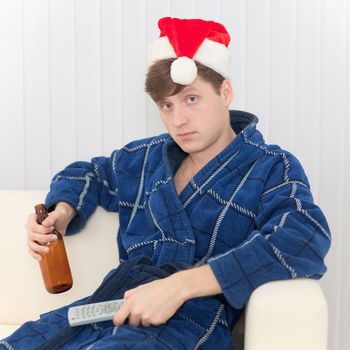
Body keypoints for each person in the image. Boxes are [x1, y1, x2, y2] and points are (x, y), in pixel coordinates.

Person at [1, 17, 331, 350]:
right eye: (166, 105)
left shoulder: (271, 166)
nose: (179, 120)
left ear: (225, 92)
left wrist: (181, 286)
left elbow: (304, 237)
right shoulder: (147, 158)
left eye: (191, 99)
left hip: (188, 324)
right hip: (106, 307)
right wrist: (62, 211)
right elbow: (89, 173)